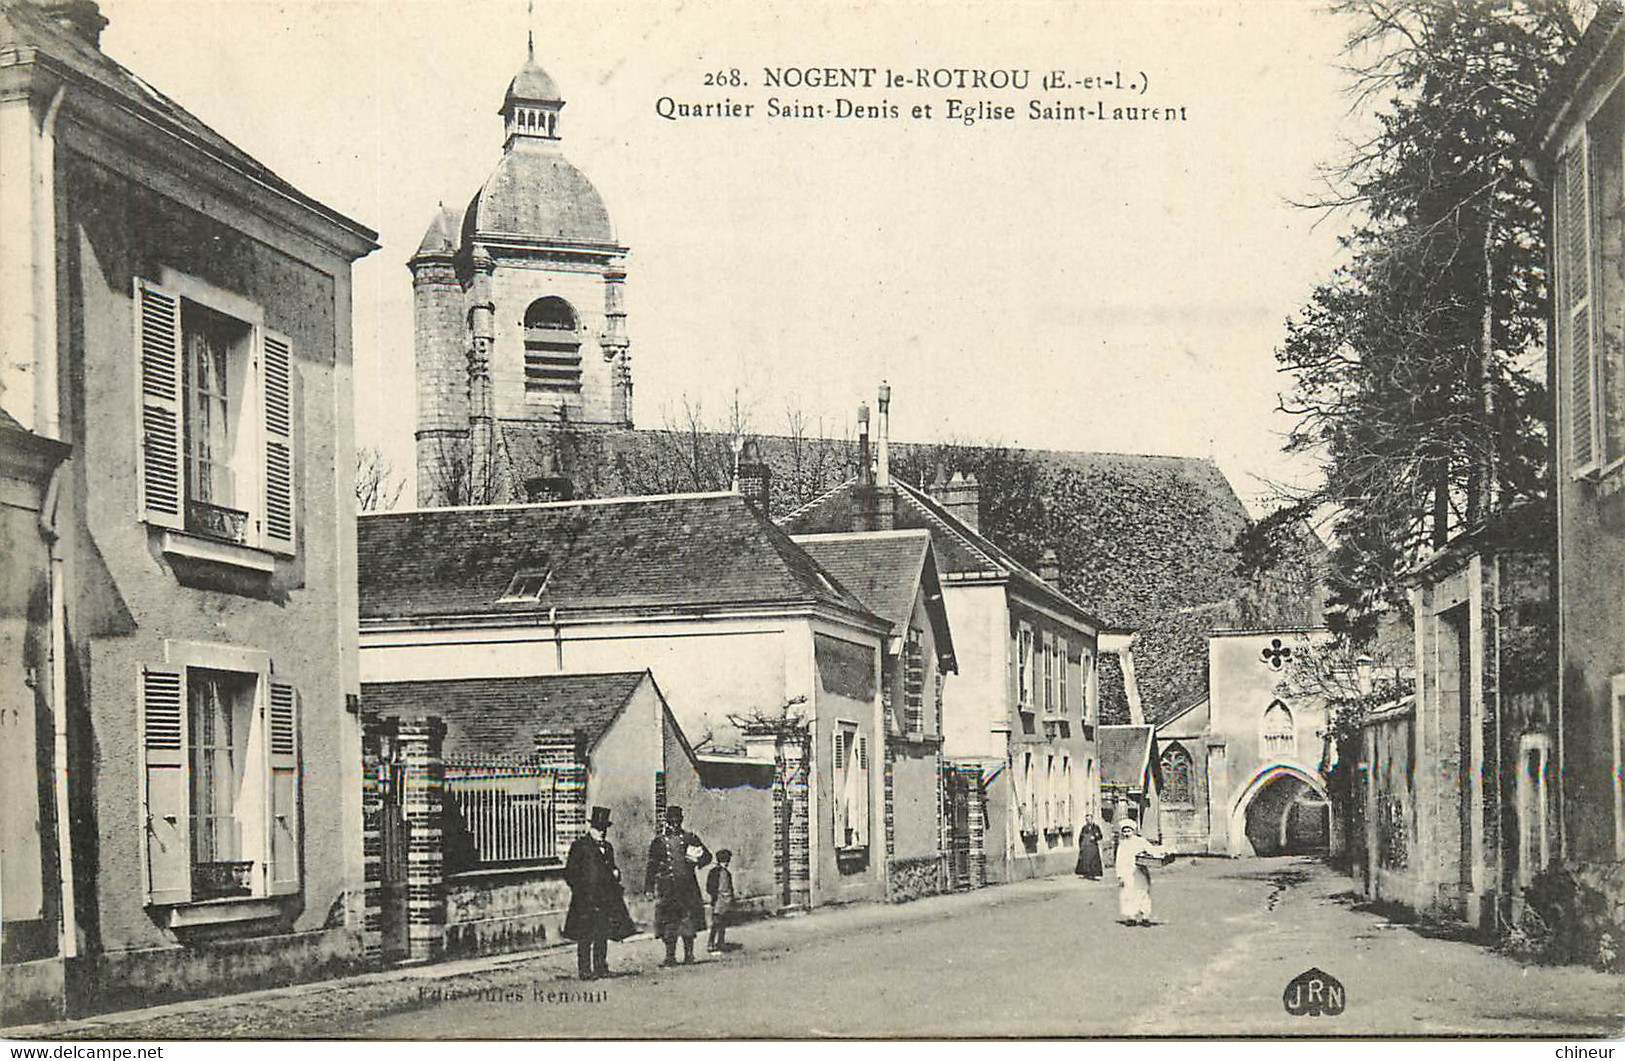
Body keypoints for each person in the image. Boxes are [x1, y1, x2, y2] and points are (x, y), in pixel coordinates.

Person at [562, 805, 635, 980]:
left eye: (604, 829)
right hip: (585, 899)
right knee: (585, 935)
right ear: (591, 828)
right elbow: (570, 873)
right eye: (598, 828)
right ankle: (585, 970)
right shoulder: (580, 846)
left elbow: (611, 869)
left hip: (605, 899)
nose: (601, 832)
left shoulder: (608, 848)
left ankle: (601, 967)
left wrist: (616, 873)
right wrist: (581, 891)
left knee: (602, 933)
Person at [645, 805, 711, 966]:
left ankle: (689, 955)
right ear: (666, 822)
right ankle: (670, 957)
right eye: (671, 821)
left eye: (677, 821)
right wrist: (648, 887)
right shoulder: (658, 842)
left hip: (687, 887)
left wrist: (696, 860)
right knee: (669, 922)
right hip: (667, 889)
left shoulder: (690, 838)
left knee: (688, 921)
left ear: (681, 821)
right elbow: (651, 866)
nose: (674, 824)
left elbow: (707, 856)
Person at [1113, 817, 1168, 926]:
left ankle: (1145, 917)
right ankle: (1131, 917)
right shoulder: (1122, 845)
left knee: (1142, 893)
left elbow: (1151, 850)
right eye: (1124, 831)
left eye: (1129, 831)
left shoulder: (1140, 841)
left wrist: (1163, 852)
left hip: (1140, 872)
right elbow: (1119, 860)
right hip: (1127, 873)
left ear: (1133, 831)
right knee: (1128, 894)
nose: (1127, 833)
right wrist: (1120, 875)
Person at [705, 849, 736, 953]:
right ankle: (711, 943)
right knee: (716, 923)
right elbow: (710, 887)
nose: (726, 863)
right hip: (718, 901)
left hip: (725, 902)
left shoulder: (727, 873)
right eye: (725, 860)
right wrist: (715, 896)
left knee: (723, 923)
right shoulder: (715, 872)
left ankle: (720, 943)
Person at [1074, 815, 1104, 880]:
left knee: (1094, 861)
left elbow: (1100, 836)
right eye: (1087, 820)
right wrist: (1081, 846)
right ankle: (1086, 874)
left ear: (1092, 819)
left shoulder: (1096, 827)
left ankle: (1095, 874)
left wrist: (1095, 837)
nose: (1088, 821)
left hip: (1093, 846)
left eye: (1089, 819)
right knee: (1085, 861)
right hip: (1086, 847)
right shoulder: (1084, 828)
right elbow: (1081, 837)